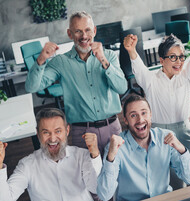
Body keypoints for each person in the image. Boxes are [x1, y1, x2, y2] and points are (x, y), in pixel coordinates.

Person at [123, 8, 190, 183]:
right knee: (171, 177)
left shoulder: (186, 77)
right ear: (161, 60)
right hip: (160, 133)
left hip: (185, 129)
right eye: (173, 57)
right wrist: (131, 50)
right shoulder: (150, 80)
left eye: (181, 57)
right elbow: (138, 66)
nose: (179, 62)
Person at [25, 11, 127, 155]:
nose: (84, 36)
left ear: (94, 31)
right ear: (70, 34)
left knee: (120, 171)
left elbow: (122, 87)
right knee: (89, 176)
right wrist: (41, 59)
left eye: (87, 30)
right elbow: (31, 87)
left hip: (112, 128)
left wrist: (103, 61)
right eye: (78, 31)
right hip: (83, 133)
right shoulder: (61, 62)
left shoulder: (109, 56)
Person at [0, 108, 102, 201]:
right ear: (38, 134)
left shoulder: (83, 155)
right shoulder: (27, 165)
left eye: (58, 131)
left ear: (67, 130)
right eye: (46, 132)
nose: (53, 139)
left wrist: (95, 155)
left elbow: (96, 188)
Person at [97, 95, 190, 201]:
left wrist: (181, 149)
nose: (140, 120)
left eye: (144, 113)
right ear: (125, 120)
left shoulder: (166, 138)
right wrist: (110, 157)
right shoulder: (116, 147)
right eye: (133, 115)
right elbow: (104, 195)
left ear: (150, 115)